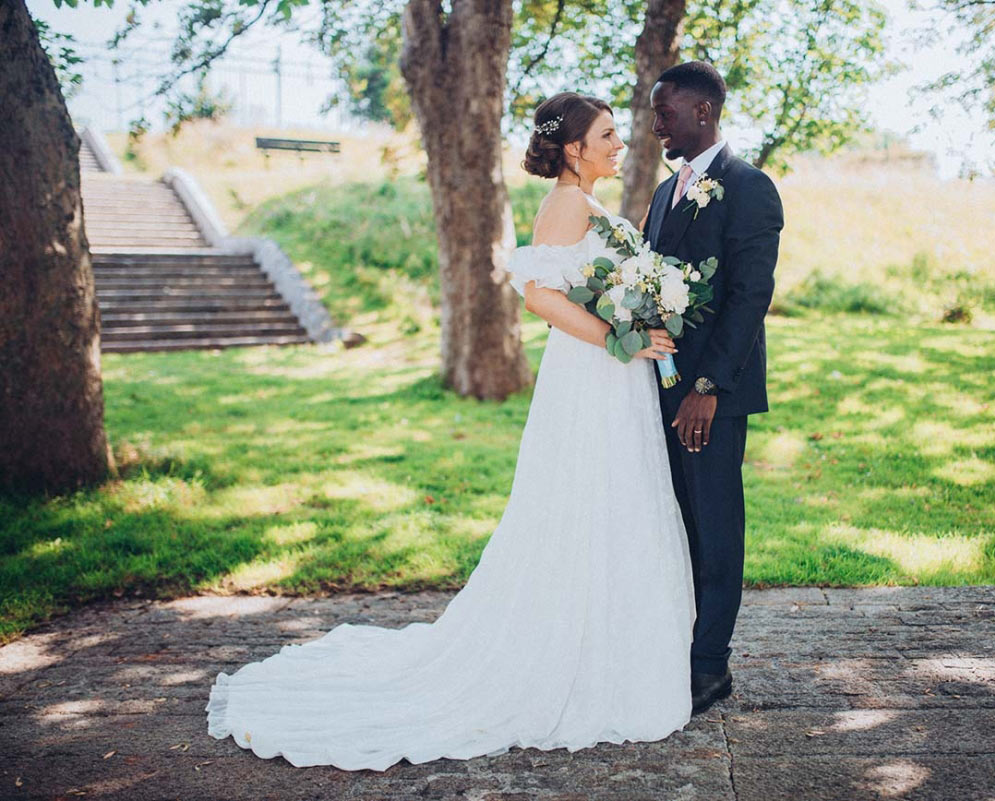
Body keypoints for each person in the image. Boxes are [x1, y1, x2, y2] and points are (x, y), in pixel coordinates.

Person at [204, 91, 696, 771]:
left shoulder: (586, 202)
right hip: (593, 375)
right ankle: (576, 658)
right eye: (607, 134)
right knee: (587, 502)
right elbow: (540, 297)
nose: (620, 144)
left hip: (613, 378)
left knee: (614, 504)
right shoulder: (567, 204)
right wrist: (623, 338)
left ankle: (613, 649)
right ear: (574, 148)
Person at [642, 62, 784, 715]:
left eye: (664, 112)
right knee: (675, 523)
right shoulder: (662, 194)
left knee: (717, 526)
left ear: (702, 111)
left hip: (711, 398)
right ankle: (675, 643)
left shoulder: (750, 187)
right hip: (657, 389)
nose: (656, 125)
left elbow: (750, 297)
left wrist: (707, 386)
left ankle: (710, 666)